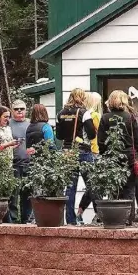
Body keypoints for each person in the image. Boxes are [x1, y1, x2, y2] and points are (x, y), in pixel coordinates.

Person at [97, 90, 138, 225]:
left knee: (114, 186)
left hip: (111, 155)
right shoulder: (131, 117)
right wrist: (137, 154)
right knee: (130, 188)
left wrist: (105, 155)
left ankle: (115, 217)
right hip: (129, 155)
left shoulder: (105, 118)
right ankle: (129, 219)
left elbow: (101, 141)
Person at [56, 88, 97, 225]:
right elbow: (92, 135)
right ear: (82, 98)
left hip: (67, 151)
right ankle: (100, 216)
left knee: (70, 187)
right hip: (83, 150)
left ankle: (70, 219)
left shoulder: (60, 113)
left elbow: (59, 136)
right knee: (92, 185)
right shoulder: (84, 113)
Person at [75, 92, 104, 225]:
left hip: (84, 150)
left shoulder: (83, 115)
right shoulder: (95, 116)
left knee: (91, 186)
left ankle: (80, 212)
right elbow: (98, 135)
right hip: (94, 152)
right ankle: (99, 214)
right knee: (95, 185)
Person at [7, 100, 31, 224]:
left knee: (27, 193)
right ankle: (14, 220)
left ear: (26, 110)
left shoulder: (30, 123)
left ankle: (26, 219)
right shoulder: (7, 124)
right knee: (13, 194)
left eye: (22, 108)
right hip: (13, 163)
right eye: (16, 109)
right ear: (12, 111)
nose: (19, 111)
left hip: (28, 163)